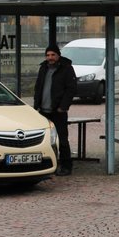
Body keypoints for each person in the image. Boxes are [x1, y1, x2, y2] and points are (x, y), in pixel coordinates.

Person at [34, 43, 78, 175]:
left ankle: (66, 166)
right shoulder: (43, 68)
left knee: (62, 139)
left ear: (58, 55)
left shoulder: (66, 69)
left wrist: (63, 107)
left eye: (53, 54)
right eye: (47, 55)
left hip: (58, 111)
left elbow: (71, 89)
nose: (50, 57)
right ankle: (47, 164)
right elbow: (38, 87)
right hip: (43, 111)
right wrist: (36, 105)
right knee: (44, 140)